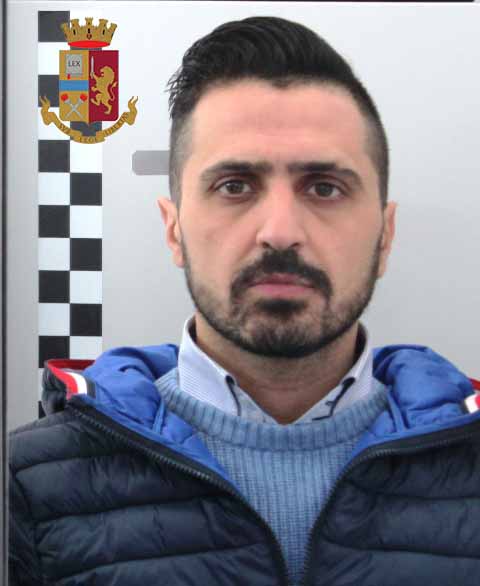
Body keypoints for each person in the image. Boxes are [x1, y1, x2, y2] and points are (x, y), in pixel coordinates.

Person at [9, 15, 480, 586]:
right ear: (174, 229)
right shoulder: (24, 487)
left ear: (385, 236)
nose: (279, 232)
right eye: (234, 186)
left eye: (324, 187)